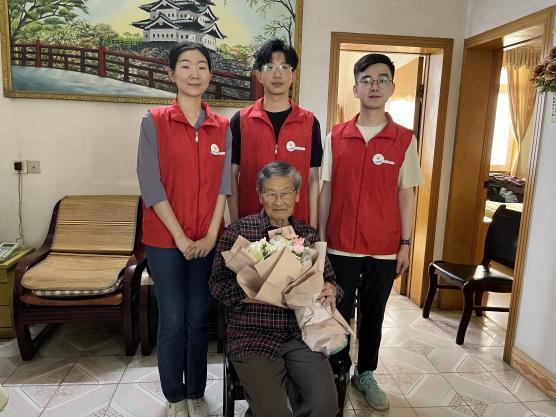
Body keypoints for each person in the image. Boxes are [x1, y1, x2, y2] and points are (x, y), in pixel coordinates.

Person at [318, 54, 423, 410]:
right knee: (337, 312)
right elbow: (326, 190)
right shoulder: (336, 136)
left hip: (384, 247)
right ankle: (337, 371)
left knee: (374, 314)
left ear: (391, 87)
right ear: (356, 88)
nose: (374, 86)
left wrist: (405, 243)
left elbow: (406, 195)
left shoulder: (404, 140)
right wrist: (321, 238)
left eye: (381, 79)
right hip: (341, 245)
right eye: (367, 80)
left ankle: (366, 373)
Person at [136, 41, 231, 417]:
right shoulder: (154, 120)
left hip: (207, 240)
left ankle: (196, 390)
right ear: (171, 74)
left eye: (202, 66)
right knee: (173, 319)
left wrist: (210, 236)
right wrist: (179, 236)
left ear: (210, 74)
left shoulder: (222, 127)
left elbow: (224, 185)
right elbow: (150, 183)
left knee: (197, 318)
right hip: (164, 241)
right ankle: (174, 395)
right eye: (186, 66)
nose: (195, 73)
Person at [210, 161, 341, 417]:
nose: (278, 201)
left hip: (299, 334)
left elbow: (332, 281)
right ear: (260, 196)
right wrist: (253, 290)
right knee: (273, 412)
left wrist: (331, 289)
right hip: (252, 335)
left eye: (285, 193)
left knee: (325, 406)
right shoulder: (239, 232)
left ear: (297, 195)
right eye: (270, 193)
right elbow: (216, 285)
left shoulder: (307, 235)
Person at [227, 38, 322, 228]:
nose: (277, 74)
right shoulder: (241, 120)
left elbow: (313, 180)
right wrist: (236, 223)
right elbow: (231, 175)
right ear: (259, 75)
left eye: (284, 67)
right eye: (269, 67)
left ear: (293, 76)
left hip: (296, 227)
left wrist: (312, 227)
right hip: (251, 225)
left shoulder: (310, 122)